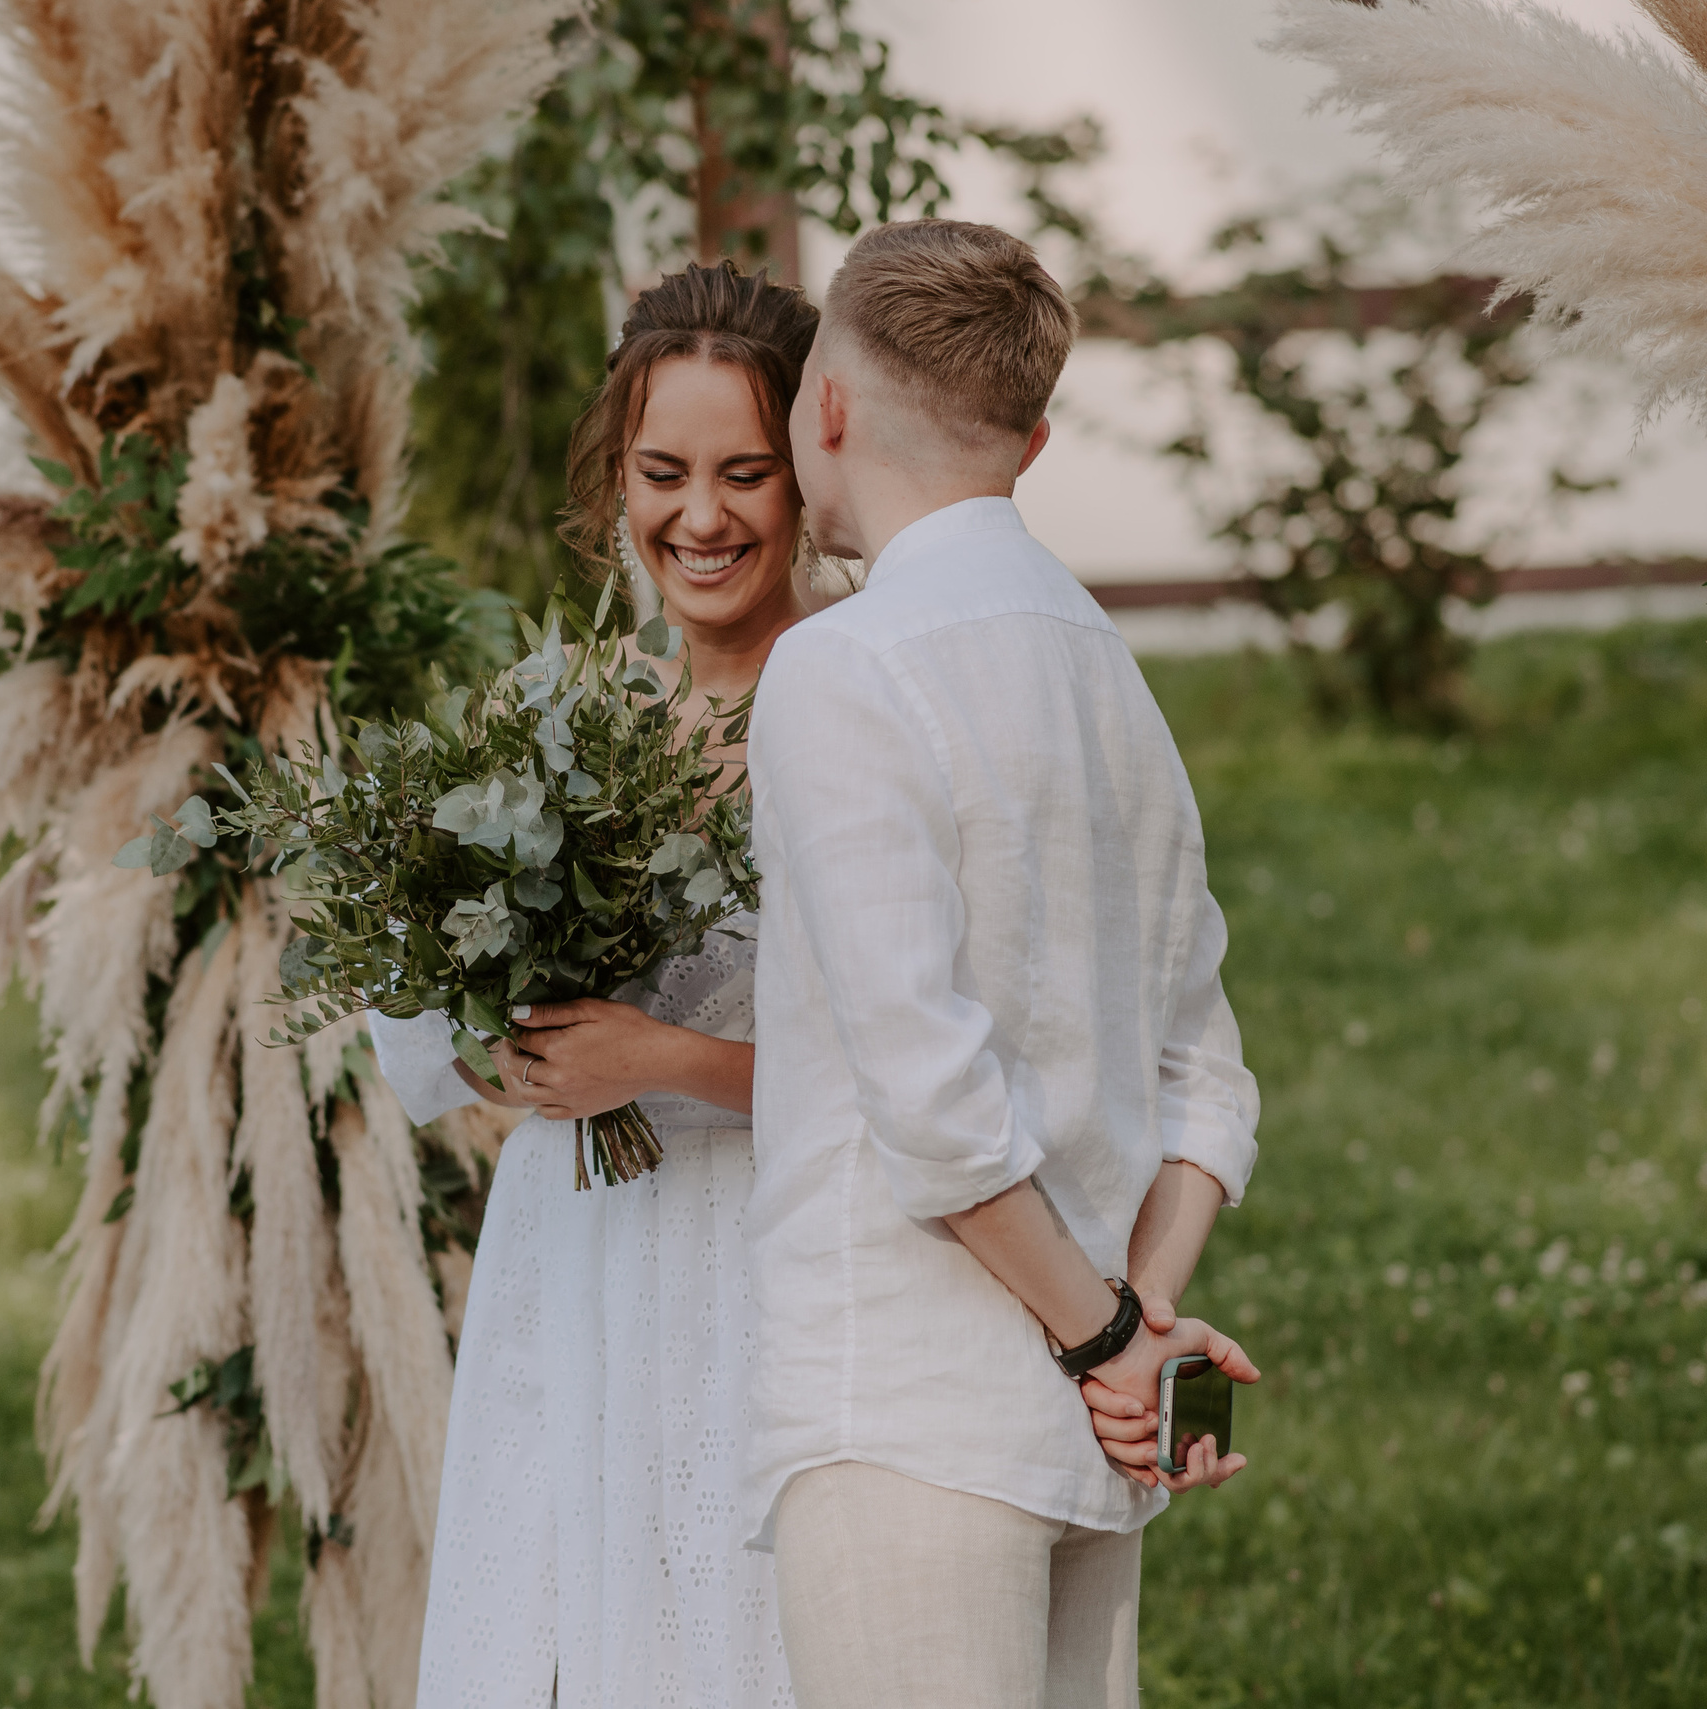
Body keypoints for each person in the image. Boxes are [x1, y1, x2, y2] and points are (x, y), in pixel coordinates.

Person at [743, 219, 1263, 1709]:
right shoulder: (1112, 667)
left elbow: (932, 1100)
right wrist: (1137, 1333)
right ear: (1030, 443)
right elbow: (1205, 1075)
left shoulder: (840, 666)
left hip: (904, 1405)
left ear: (825, 404)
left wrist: (1109, 1337)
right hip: (1082, 1431)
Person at [377, 261, 828, 1709]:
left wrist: (668, 1060)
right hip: (573, 1254)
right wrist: (495, 1032)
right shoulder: (561, 709)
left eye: (744, 472)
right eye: (663, 471)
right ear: (614, 476)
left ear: (815, 468)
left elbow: (921, 1070)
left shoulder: (854, 701)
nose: (700, 518)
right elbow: (420, 1032)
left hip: (771, 1252)